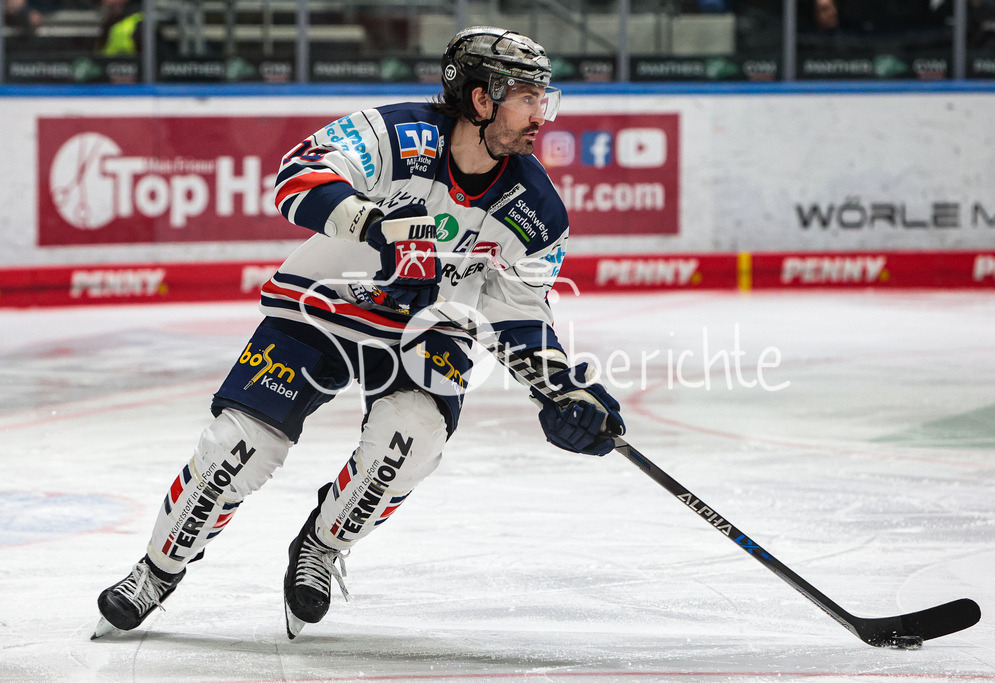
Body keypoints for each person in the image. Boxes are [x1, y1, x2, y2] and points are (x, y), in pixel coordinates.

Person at [92, 26, 626, 640]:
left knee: (414, 437)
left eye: (543, 99)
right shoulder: (396, 133)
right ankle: (157, 571)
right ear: (481, 100)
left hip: (428, 333)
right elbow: (296, 178)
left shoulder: (538, 209)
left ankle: (321, 544)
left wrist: (561, 389)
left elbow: (519, 311)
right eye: (527, 97)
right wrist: (370, 220)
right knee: (239, 444)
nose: (541, 114)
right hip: (325, 305)